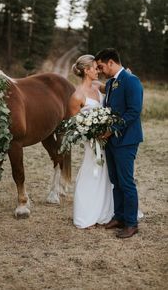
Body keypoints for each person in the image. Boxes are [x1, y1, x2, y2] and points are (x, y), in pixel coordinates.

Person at [95, 48, 143, 238]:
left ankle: (131, 223)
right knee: (115, 181)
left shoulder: (131, 81)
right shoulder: (111, 83)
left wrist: (112, 129)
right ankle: (120, 216)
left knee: (126, 182)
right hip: (111, 140)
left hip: (126, 140)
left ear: (111, 63)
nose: (100, 70)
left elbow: (134, 111)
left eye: (101, 66)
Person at [69, 54, 114, 229]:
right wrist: (92, 134)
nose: (98, 70)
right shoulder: (77, 96)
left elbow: (113, 87)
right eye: (95, 68)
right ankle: (86, 213)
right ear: (87, 71)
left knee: (107, 173)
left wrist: (125, 77)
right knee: (92, 171)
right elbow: (75, 125)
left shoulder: (97, 86)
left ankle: (106, 211)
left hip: (107, 138)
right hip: (92, 142)